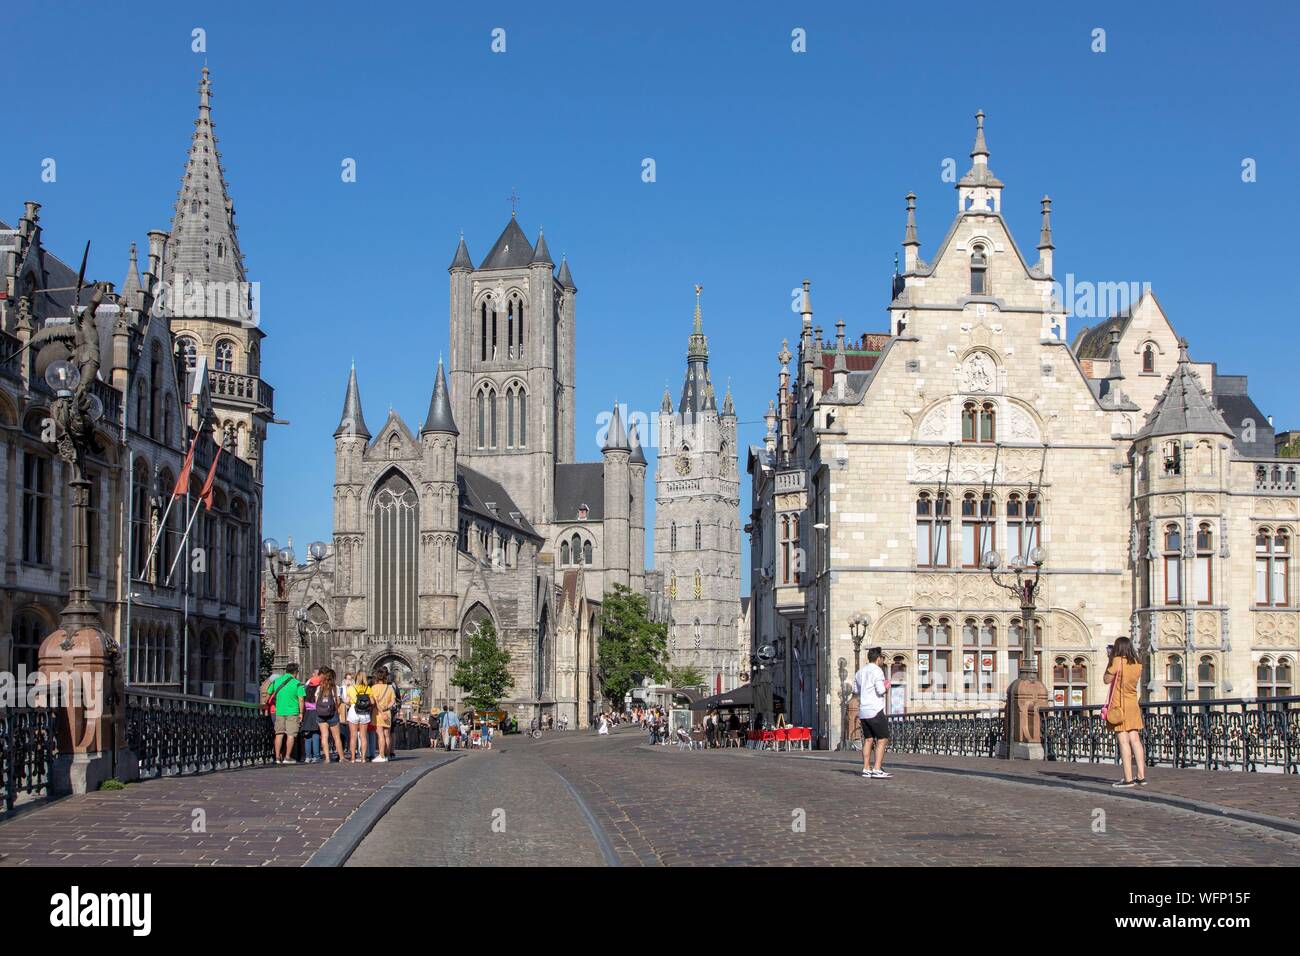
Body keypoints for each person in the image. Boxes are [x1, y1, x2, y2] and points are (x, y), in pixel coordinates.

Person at [1104, 637, 1148, 788]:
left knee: (1123, 741)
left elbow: (1106, 679)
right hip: (1133, 704)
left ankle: (1128, 778)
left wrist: (1110, 660)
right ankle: (1141, 776)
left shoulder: (1117, 661)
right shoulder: (1137, 663)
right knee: (1135, 739)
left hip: (1119, 705)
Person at [854, 647, 891, 779]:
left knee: (868, 740)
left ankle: (866, 768)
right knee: (882, 738)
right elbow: (880, 690)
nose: (883, 661)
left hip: (863, 711)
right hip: (875, 709)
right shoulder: (877, 671)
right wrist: (886, 686)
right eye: (882, 658)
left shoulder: (860, 672)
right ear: (878, 658)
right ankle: (876, 768)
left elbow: (856, 690)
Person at [267, 663, 306, 765]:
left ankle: (276, 757)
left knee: (279, 734)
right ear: (296, 672)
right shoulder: (297, 683)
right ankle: (287, 757)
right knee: (290, 734)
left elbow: (269, 692)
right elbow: (301, 699)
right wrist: (301, 712)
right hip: (293, 712)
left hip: (279, 711)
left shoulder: (277, 681)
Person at [315, 668, 344, 763]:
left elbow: (316, 702)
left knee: (324, 736)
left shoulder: (319, 688)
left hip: (321, 715)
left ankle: (327, 758)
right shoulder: (336, 688)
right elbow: (338, 701)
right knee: (336, 737)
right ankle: (342, 757)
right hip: (332, 715)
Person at [346, 671, 373, 763]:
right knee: (363, 736)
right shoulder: (368, 688)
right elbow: (372, 702)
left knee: (353, 736)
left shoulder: (351, 688)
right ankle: (363, 758)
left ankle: (353, 758)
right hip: (364, 712)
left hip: (354, 710)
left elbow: (347, 701)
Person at [370, 667, 395, 763]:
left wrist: (381, 710)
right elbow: (393, 701)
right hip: (387, 713)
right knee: (387, 735)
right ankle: (387, 755)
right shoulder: (389, 688)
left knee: (380, 735)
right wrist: (386, 708)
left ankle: (381, 755)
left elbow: (374, 702)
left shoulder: (374, 688)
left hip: (378, 713)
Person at [301, 668, 322, 763]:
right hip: (316, 713)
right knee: (316, 734)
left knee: (307, 736)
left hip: (307, 714)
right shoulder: (318, 691)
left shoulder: (305, 690)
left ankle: (308, 756)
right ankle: (316, 756)